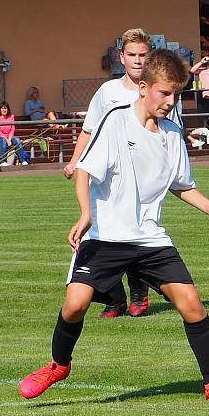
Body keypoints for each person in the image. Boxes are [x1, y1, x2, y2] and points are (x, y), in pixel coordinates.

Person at [18, 49, 209, 403]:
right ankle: (58, 365)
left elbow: (181, 184)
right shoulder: (115, 120)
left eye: (176, 94)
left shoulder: (173, 133)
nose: (170, 101)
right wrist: (85, 214)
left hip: (150, 239)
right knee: (75, 306)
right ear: (144, 87)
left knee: (192, 303)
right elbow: (83, 169)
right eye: (164, 93)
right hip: (106, 236)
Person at [63, 28, 153, 319]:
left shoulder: (155, 89)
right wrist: (75, 161)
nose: (138, 60)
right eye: (132, 55)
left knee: (137, 232)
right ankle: (113, 298)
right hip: (105, 175)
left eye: (142, 55)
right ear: (121, 57)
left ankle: (139, 292)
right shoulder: (108, 91)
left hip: (140, 175)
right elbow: (89, 129)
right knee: (102, 235)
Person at [0, 102, 31, 166]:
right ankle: (3, 161)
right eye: (2, 108)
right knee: (2, 140)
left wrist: (9, 138)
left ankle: (23, 160)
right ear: (0, 109)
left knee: (17, 140)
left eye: (6, 108)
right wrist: (7, 139)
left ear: (8, 109)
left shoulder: (11, 116)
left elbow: (12, 128)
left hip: (8, 136)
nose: (4, 110)